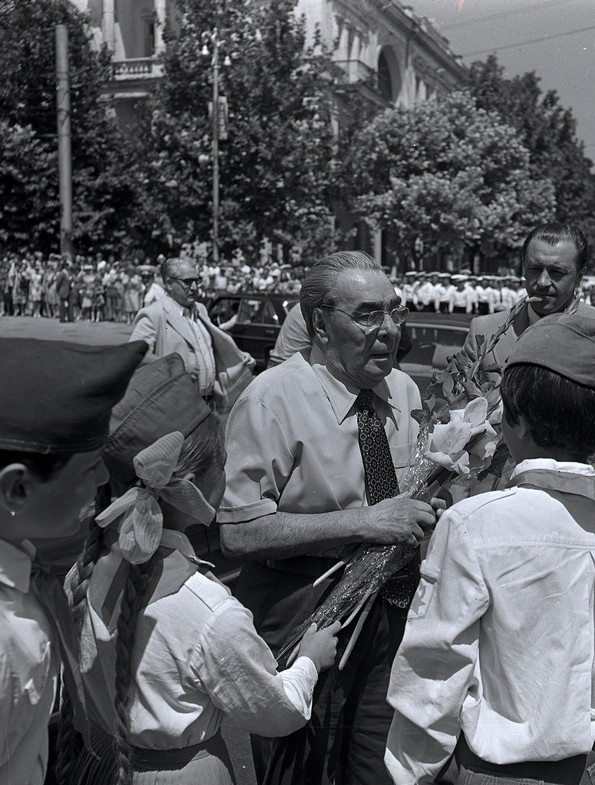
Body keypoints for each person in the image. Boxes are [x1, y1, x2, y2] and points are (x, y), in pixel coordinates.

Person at [386, 314, 595, 785]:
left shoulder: (474, 525)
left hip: (493, 770)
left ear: (519, 421)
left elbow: (434, 670)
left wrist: (411, 772)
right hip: (590, 767)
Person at [56, 354, 340, 785]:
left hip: (100, 767)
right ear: (189, 488)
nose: (229, 474)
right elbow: (274, 713)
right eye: (224, 463)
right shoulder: (209, 612)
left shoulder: (86, 571)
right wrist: (308, 663)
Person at [219, 251, 442, 785]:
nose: (389, 330)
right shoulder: (272, 398)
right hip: (301, 616)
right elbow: (237, 532)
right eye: (367, 315)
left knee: (379, 768)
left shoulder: (404, 391)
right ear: (319, 323)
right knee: (300, 767)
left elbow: (409, 499)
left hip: (391, 617)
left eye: (395, 311)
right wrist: (363, 523)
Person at [0, 337, 146, 785]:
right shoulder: (8, 640)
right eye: (88, 469)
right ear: (17, 489)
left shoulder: (26, 578)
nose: (103, 479)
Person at [461, 222, 595, 524]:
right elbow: (461, 426)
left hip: (581, 508)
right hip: (495, 502)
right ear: (522, 268)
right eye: (535, 269)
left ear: (580, 276)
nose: (543, 282)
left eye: (558, 272)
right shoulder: (485, 330)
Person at [129, 257, 255, 411]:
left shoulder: (200, 309)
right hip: (174, 408)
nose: (195, 287)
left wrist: (240, 357)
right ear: (169, 283)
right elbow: (135, 355)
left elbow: (210, 348)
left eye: (197, 280)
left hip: (207, 404)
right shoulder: (153, 314)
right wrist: (174, 368)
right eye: (187, 282)